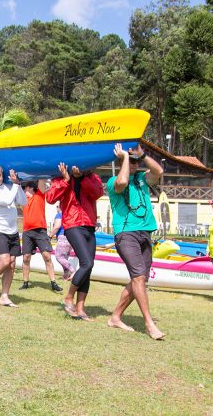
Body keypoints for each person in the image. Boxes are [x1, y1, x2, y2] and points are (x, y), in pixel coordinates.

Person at [106, 143, 165, 340]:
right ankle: (149, 324)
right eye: (130, 161)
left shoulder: (141, 179)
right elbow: (122, 183)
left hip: (145, 233)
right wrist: (124, 159)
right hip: (126, 234)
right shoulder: (112, 181)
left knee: (139, 279)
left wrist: (142, 155)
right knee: (139, 278)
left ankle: (115, 317)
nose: (134, 164)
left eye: (135, 162)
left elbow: (158, 170)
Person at [46, 163, 103, 321]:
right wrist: (66, 180)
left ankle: (80, 309)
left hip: (89, 225)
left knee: (88, 268)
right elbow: (50, 198)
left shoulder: (93, 178)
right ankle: (69, 298)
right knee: (87, 263)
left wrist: (81, 178)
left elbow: (97, 193)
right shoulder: (60, 178)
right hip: (72, 224)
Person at [0, 163, 27, 307]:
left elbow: (23, 202)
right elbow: (7, 200)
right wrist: (15, 184)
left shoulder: (9, 187)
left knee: (12, 265)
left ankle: (4, 296)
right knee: (5, 261)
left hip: (12, 230)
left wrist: (18, 184)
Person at [20, 180, 62, 292]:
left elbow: (41, 180)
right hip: (27, 232)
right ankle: (25, 282)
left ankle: (53, 283)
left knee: (47, 256)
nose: (24, 191)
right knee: (26, 258)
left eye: (25, 188)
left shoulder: (39, 194)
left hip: (40, 231)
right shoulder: (23, 200)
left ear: (30, 188)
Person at [49, 205, 76, 281]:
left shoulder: (59, 214)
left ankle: (73, 271)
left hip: (62, 238)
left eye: (57, 206)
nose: (56, 208)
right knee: (65, 258)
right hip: (70, 238)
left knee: (59, 257)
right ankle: (66, 275)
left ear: (60, 207)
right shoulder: (69, 215)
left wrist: (50, 235)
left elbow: (57, 227)